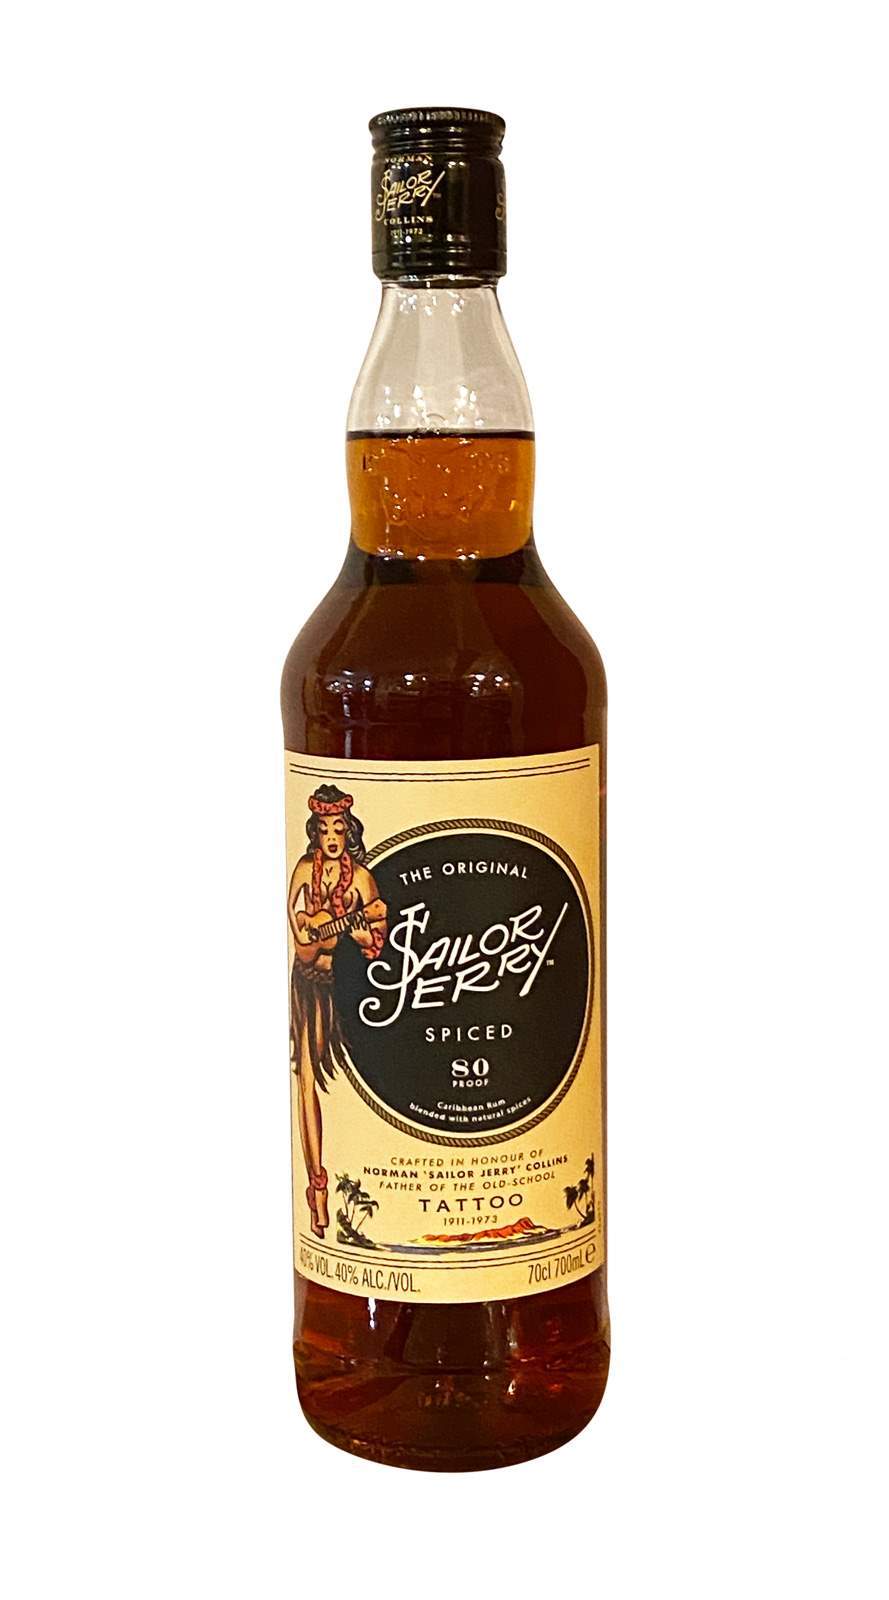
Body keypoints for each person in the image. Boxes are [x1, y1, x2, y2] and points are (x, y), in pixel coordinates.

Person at [287, 785, 387, 1236]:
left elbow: (376, 942)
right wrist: (316, 931)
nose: (331, 837)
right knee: (306, 1081)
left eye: (339, 829)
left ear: (349, 832)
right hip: (309, 985)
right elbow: (300, 937)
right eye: (325, 829)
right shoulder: (303, 870)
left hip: (346, 986)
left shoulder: (362, 881)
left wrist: (360, 933)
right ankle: (317, 1186)